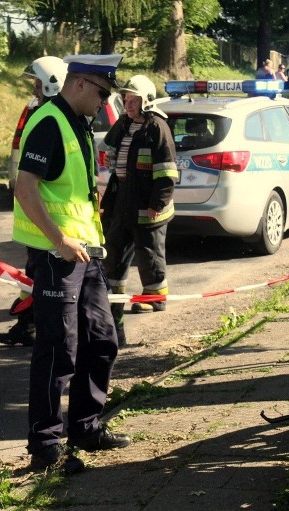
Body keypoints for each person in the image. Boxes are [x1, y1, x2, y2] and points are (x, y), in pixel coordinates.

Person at [13, 53, 131, 473]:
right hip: (56, 256)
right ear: (80, 83)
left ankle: (86, 426)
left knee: (102, 339)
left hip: (85, 253)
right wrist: (58, 239)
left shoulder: (77, 122)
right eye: (102, 93)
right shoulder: (49, 122)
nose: (105, 102)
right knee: (58, 349)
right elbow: (24, 187)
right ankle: (45, 445)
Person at [0, 56, 68, 348]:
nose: (34, 90)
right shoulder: (42, 114)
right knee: (32, 277)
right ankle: (27, 327)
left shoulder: (51, 120)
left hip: (51, 226)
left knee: (44, 282)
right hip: (39, 225)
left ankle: (37, 331)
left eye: (38, 84)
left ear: (51, 85)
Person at [99, 75, 177, 347]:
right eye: (125, 100)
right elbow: (106, 148)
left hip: (147, 205)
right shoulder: (123, 123)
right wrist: (109, 156)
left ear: (146, 101)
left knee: (149, 253)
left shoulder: (157, 127)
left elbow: (167, 171)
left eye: (133, 100)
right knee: (115, 253)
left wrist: (158, 203)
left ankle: (153, 298)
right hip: (122, 201)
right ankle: (114, 304)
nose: (128, 105)